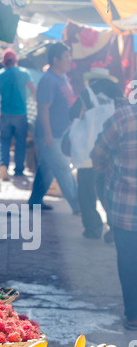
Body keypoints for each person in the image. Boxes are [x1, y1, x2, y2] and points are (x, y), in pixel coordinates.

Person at [90, 102, 137, 330]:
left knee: (128, 261)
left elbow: (97, 155)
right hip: (125, 207)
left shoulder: (122, 118)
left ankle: (133, 315)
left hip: (125, 206)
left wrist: (109, 170)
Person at [62, 68, 123, 239]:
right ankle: (114, 226)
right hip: (111, 151)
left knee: (87, 191)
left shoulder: (87, 93)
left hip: (88, 151)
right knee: (107, 189)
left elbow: (73, 113)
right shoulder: (116, 93)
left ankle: (93, 228)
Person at [28, 42, 80, 213]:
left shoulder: (63, 78)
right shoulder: (48, 80)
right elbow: (43, 109)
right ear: (56, 60)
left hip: (60, 133)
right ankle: (79, 207)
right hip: (51, 135)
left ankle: (35, 202)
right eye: (66, 57)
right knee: (64, 169)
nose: (70, 60)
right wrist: (48, 135)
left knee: (47, 169)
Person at [0, 48, 36, 180]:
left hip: (5, 114)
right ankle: (19, 170)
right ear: (15, 60)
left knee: (4, 141)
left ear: (3, 61)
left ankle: (4, 166)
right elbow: (34, 92)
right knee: (20, 142)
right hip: (21, 114)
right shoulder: (24, 73)